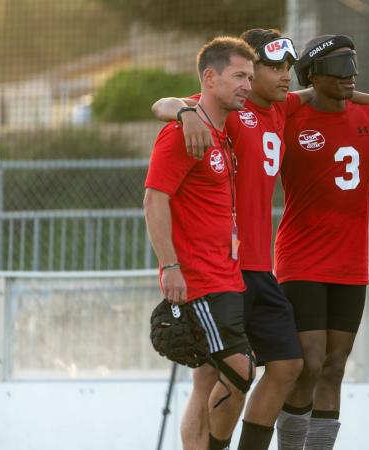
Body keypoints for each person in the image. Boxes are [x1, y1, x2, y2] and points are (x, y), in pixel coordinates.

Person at [152, 29, 369, 450]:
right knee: (213, 376)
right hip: (218, 267)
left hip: (258, 267)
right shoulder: (229, 110)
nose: (283, 75)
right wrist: (183, 111)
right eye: (271, 67)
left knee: (286, 366)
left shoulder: (282, 106)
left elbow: (323, 91)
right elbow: (166, 106)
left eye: (286, 66)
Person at [273, 34, 369, 450]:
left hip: (350, 263)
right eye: (340, 68)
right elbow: (250, 103)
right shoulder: (291, 113)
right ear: (313, 76)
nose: (351, 75)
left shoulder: (368, 116)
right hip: (301, 259)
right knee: (307, 364)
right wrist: (309, 91)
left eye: (354, 64)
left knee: (334, 367)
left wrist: (363, 95)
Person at [143, 36, 258, 450]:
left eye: (250, 76)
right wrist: (170, 265)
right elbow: (154, 199)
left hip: (227, 273)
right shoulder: (182, 132)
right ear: (209, 78)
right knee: (242, 371)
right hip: (200, 278)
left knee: (208, 378)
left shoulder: (219, 132)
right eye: (239, 76)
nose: (248, 84)